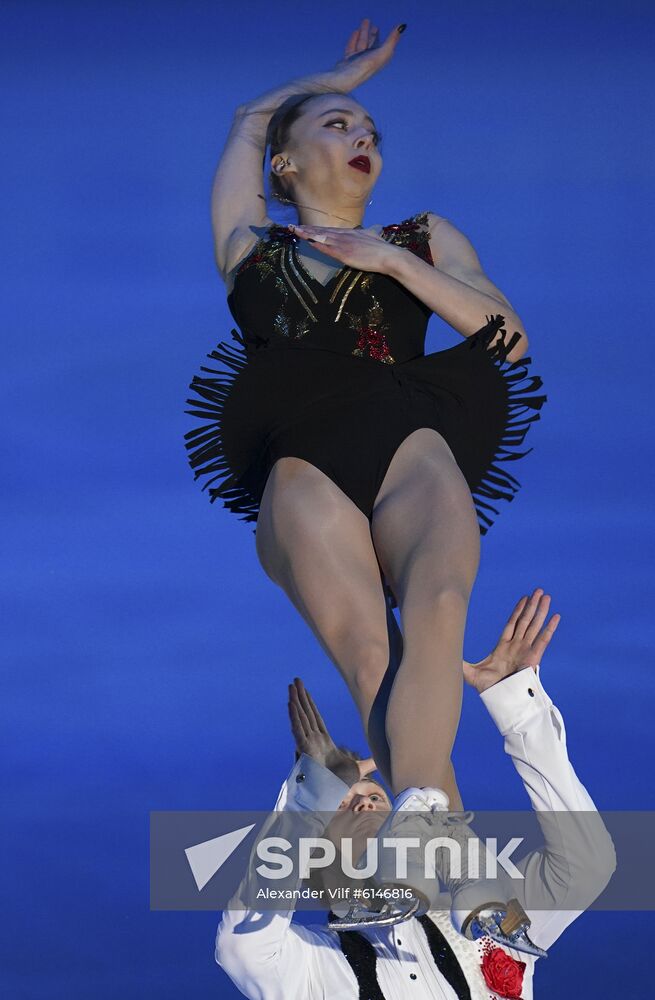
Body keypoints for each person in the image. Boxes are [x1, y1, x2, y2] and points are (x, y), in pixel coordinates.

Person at [183, 18, 548, 921]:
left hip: (410, 435)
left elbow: (505, 335)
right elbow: (244, 116)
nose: (363, 140)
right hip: (298, 454)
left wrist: (388, 259)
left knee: (435, 616)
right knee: (374, 663)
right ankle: (455, 884)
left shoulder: (421, 234)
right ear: (285, 165)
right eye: (339, 127)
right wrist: (349, 73)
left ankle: (440, 863)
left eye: (370, 133)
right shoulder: (248, 246)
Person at [213, 590, 615, 999]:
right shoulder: (317, 967)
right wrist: (310, 798)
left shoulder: (482, 918)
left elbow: (584, 865)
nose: (368, 803)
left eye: (378, 798)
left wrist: (517, 706)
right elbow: (244, 947)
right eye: (346, 804)